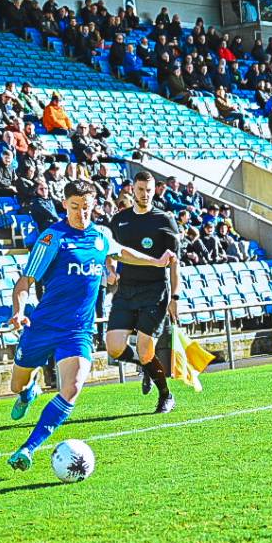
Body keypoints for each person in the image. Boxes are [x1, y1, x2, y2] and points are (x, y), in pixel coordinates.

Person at [6, 179, 176, 471]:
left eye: (86, 207)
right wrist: (19, 311)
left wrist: (156, 262)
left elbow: (122, 252)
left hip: (77, 331)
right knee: (16, 384)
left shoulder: (101, 235)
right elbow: (25, 281)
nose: (81, 213)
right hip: (43, 326)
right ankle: (28, 390)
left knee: (72, 388)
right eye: (75, 207)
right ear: (64, 205)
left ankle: (27, 449)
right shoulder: (52, 238)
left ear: (94, 205)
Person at [104, 172, 181, 413]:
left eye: (149, 190)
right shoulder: (119, 220)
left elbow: (174, 263)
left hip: (155, 291)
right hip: (126, 291)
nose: (145, 194)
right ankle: (146, 365)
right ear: (133, 190)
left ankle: (166, 395)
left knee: (146, 348)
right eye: (140, 190)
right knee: (114, 347)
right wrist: (111, 270)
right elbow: (109, 252)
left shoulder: (164, 220)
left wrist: (175, 297)